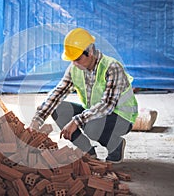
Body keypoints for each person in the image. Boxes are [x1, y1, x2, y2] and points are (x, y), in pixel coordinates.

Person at [27, 28, 138, 163]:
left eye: (77, 59)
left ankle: (115, 146)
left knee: (91, 126)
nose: (74, 63)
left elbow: (107, 105)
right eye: (72, 59)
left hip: (121, 117)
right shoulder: (75, 68)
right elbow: (57, 93)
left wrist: (76, 121)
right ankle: (87, 152)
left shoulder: (112, 67)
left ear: (90, 52)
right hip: (95, 113)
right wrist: (37, 120)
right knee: (58, 110)